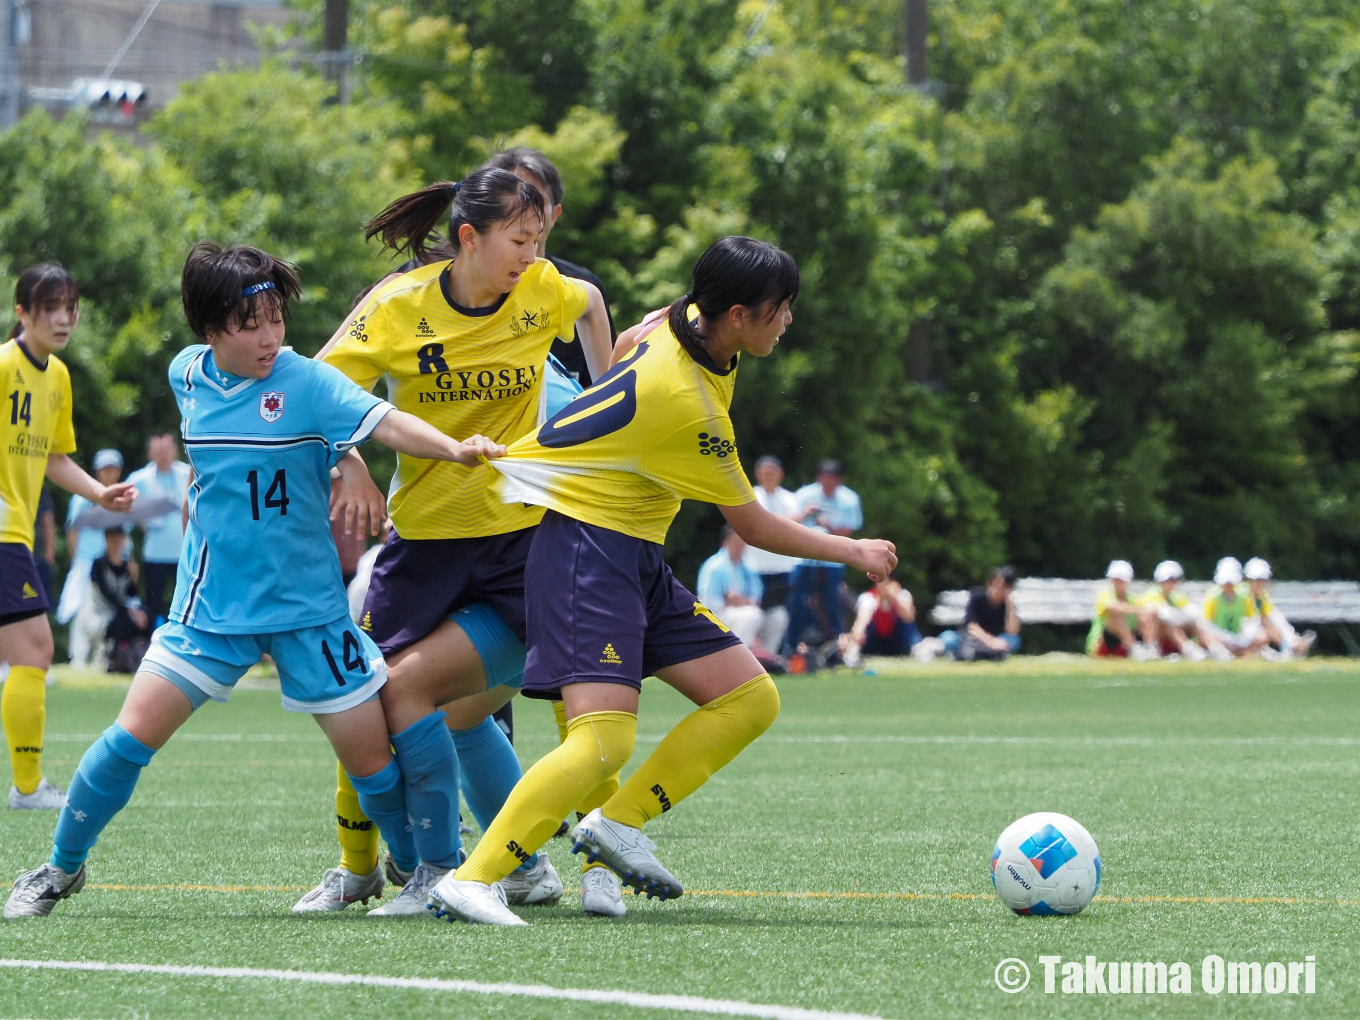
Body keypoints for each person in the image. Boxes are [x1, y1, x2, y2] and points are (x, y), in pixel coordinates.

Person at [3, 242, 506, 919]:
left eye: (276, 320)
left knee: (373, 766)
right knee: (127, 738)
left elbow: (386, 422)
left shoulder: (311, 381)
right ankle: (59, 869)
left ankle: (419, 869)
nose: (270, 337)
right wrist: (344, 461)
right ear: (211, 330)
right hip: (211, 609)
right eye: (251, 324)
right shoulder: (187, 373)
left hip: (309, 613)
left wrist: (447, 449)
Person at [426, 235, 897, 926]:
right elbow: (754, 526)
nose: (789, 320)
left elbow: (628, 343)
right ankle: (473, 879)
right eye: (781, 308)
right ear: (737, 314)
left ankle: (617, 824)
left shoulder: (680, 322)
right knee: (602, 741)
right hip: (587, 552)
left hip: (633, 552)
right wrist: (853, 550)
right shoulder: (687, 401)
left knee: (748, 698)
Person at [295, 166, 617, 918]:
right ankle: (405, 866)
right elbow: (312, 391)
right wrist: (348, 463)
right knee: (367, 699)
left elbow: (592, 302)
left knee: (413, 695)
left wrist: (605, 399)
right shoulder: (397, 306)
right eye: (520, 240)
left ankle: (441, 869)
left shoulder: (542, 289)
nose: (534, 256)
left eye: (539, 239)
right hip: (423, 546)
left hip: (520, 548)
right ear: (469, 237)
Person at [1, 262, 137, 812]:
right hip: (3, 532)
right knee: (35, 648)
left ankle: (27, 786)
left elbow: (55, 456)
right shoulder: (4, 367)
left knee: (27, 650)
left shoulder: (56, 376)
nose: (63, 319)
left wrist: (99, 494)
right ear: (22, 313)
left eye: (70, 308)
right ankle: (27, 787)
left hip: (14, 532)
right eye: (50, 308)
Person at [59, 448, 128, 665]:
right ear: (98, 471)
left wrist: (127, 560)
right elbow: (73, 531)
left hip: (111, 564)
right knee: (81, 610)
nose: (109, 473)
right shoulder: (83, 498)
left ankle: (103, 657)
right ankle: (78, 657)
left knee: (110, 609)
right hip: (87, 562)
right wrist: (76, 561)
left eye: (113, 469)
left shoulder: (121, 498)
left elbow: (123, 535)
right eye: (105, 469)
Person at [785, 460, 862, 654]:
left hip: (832, 561)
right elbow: (786, 523)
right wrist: (805, 514)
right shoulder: (804, 494)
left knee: (833, 605)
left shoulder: (849, 499)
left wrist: (826, 525)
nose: (827, 484)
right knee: (797, 603)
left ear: (839, 481)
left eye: (831, 480)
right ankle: (790, 649)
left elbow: (847, 534)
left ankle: (834, 651)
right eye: (824, 480)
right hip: (804, 558)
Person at [126, 432, 192, 624]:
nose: (163, 454)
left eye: (167, 449)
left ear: (175, 450)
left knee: (187, 600)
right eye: (158, 450)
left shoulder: (188, 473)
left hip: (184, 552)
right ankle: (152, 639)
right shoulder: (139, 479)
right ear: (150, 453)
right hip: (155, 554)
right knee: (153, 604)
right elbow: (126, 513)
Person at [745, 455, 798, 655]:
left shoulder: (789, 498)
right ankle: (756, 653)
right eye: (765, 473)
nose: (769, 477)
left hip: (784, 566)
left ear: (780, 474)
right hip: (756, 566)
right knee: (756, 612)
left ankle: (780, 653)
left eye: (772, 473)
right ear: (757, 475)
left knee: (783, 612)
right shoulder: (751, 496)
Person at [695, 526, 770, 653]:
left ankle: (766, 660)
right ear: (725, 543)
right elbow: (707, 601)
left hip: (746, 610)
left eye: (742, 543)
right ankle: (738, 656)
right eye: (736, 542)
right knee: (751, 615)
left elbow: (757, 596)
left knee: (778, 617)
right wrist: (728, 602)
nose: (740, 547)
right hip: (718, 615)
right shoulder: (714, 566)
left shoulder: (748, 567)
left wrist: (740, 601)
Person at [86, 527, 150, 673]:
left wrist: (134, 579)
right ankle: (113, 657)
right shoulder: (99, 564)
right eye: (113, 538)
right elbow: (108, 595)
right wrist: (131, 612)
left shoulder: (127, 565)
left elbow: (131, 596)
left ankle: (140, 656)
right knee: (124, 621)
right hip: (102, 614)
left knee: (147, 616)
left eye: (119, 538)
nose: (116, 542)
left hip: (124, 611)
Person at [1243, 557, 1316, 659]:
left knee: (1274, 618)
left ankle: (1293, 645)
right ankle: (1293, 647)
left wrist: (1287, 639)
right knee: (1263, 635)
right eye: (1257, 580)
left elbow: (1275, 619)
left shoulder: (1262, 598)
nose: (1261, 584)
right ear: (1248, 580)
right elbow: (1261, 621)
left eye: (1263, 580)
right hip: (1239, 636)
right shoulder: (1242, 596)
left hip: (1251, 633)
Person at [945, 566, 1021, 661]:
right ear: (989, 583)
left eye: (1005, 587)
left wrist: (1010, 606)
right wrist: (991, 641)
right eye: (997, 585)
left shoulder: (1007, 604)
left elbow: (1012, 632)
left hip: (997, 638)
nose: (999, 590)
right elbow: (972, 627)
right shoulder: (977, 597)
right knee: (948, 638)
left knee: (1013, 640)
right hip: (974, 637)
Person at [1136, 559, 1206, 660]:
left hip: (1172, 632)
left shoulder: (1176, 597)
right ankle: (1186, 648)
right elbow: (1161, 615)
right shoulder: (1151, 594)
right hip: (1156, 634)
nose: (1170, 584)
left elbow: (1191, 614)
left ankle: (1213, 648)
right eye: (1167, 580)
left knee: (1196, 625)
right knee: (1166, 623)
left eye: (1173, 580)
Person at [841, 578, 920, 667]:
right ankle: (853, 652)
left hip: (898, 640)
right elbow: (860, 624)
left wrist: (895, 600)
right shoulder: (869, 597)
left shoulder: (902, 595)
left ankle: (917, 648)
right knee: (862, 629)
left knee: (907, 627)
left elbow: (909, 618)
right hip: (875, 641)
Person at [1200, 556, 1267, 660]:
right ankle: (1226, 653)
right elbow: (1205, 624)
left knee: (1262, 635)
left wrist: (1244, 634)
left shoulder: (1244, 597)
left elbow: (1252, 621)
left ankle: (1240, 653)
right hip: (1219, 636)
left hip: (1238, 637)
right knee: (1205, 635)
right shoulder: (1212, 596)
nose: (1228, 585)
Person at [1085, 560, 1154, 659]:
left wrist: (1143, 614)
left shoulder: (1132, 599)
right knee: (1116, 614)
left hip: (1122, 644)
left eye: (1121, 580)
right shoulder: (1105, 595)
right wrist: (1135, 610)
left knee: (1146, 616)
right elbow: (1113, 607)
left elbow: (1146, 609)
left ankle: (1149, 648)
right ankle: (1134, 649)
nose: (1118, 583)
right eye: (1115, 579)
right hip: (1103, 642)